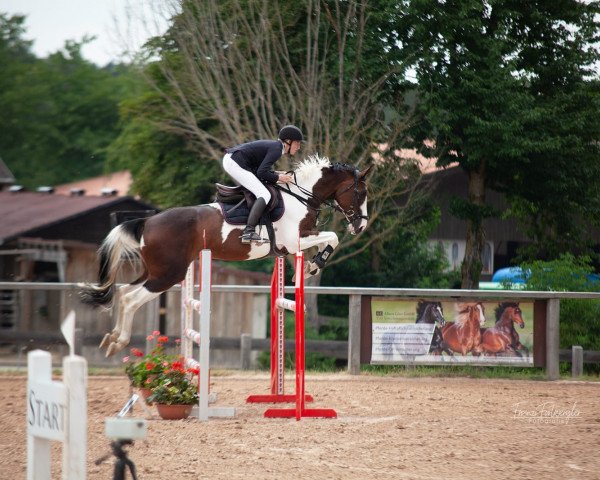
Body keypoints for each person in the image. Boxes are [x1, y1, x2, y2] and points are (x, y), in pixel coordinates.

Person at [223, 125, 303, 243]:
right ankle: (248, 231)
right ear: (288, 141)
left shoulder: (276, 147)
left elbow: (260, 170)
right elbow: (261, 173)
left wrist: (276, 174)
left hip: (235, 161)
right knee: (264, 194)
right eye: (297, 143)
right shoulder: (277, 149)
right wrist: (278, 177)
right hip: (235, 163)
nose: (299, 147)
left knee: (263, 191)